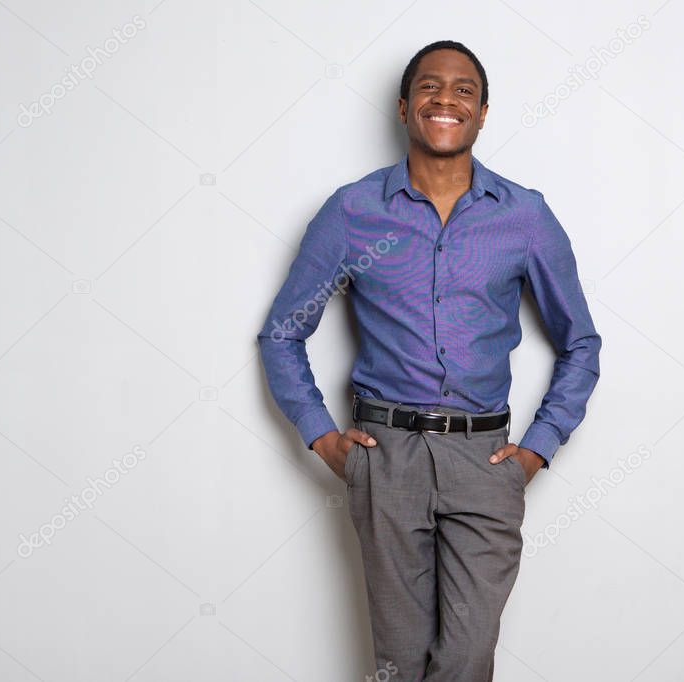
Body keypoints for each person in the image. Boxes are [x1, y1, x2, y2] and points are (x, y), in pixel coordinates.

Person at [256, 40, 601, 681]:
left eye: (463, 90)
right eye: (430, 87)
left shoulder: (524, 216)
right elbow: (282, 333)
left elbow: (580, 342)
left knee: (466, 660)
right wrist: (325, 441)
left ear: (483, 111)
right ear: (404, 106)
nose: (446, 99)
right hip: (385, 457)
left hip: (485, 460)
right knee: (399, 661)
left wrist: (537, 449)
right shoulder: (354, 211)